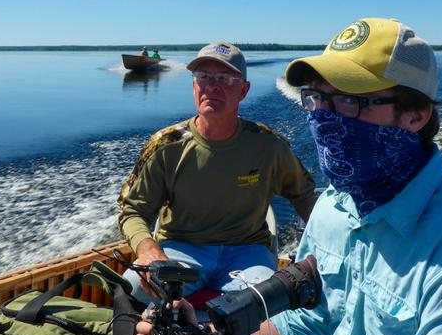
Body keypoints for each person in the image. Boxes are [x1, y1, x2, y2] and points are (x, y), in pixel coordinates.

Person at [135, 19, 442, 335]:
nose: (324, 119)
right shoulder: (333, 208)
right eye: (317, 99)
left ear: (416, 115)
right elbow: (310, 326)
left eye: (350, 100)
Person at [118, 41, 317, 304]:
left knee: (263, 302)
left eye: (224, 78)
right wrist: (148, 248)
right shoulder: (166, 146)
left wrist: (327, 245)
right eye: (203, 77)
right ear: (194, 86)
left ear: (243, 91)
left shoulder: (268, 146)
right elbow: (133, 210)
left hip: (247, 253)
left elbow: (304, 196)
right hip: (182, 250)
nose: (212, 85)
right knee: (133, 287)